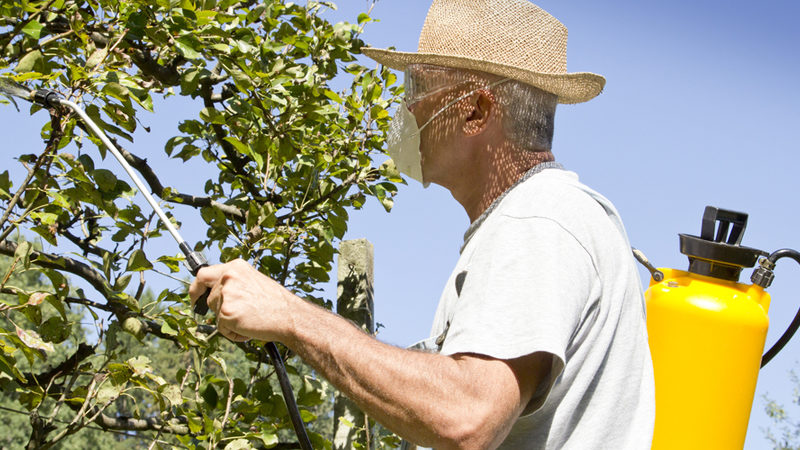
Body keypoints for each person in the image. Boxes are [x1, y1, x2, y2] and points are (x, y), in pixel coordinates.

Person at [189, 0, 655, 448]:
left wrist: (289, 316)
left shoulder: (536, 219)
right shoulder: (545, 217)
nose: (407, 109)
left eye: (418, 89)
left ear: (476, 111)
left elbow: (466, 417)